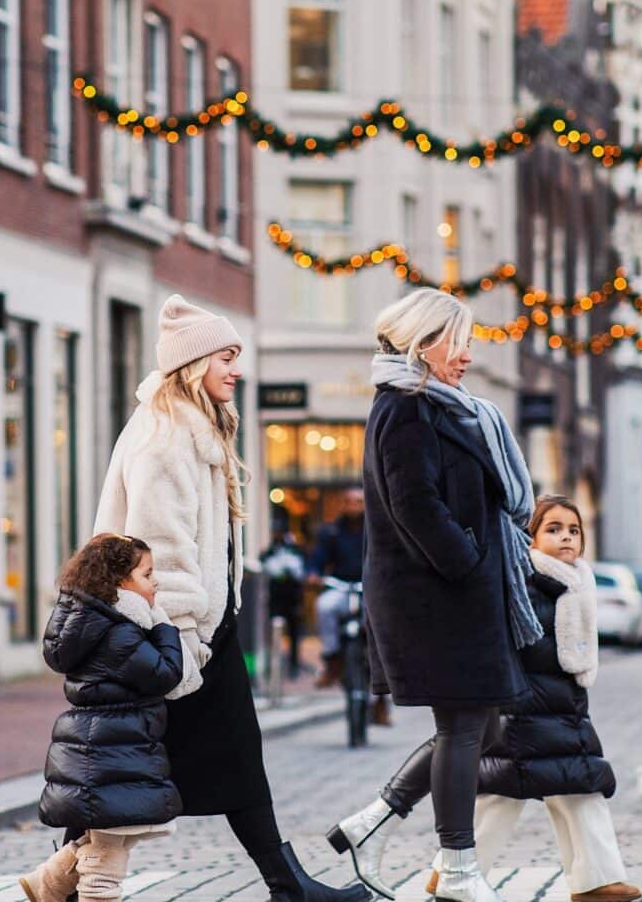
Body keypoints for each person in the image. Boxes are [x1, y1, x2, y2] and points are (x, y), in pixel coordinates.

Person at [92, 295, 365, 902]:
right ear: (192, 364)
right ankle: (65, 878)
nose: (236, 368)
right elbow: (157, 549)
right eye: (226, 355)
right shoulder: (166, 439)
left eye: (237, 355)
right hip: (180, 636)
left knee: (208, 759)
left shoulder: (196, 431)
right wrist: (183, 639)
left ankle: (285, 882)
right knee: (123, 764)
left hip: (205, 631)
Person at [328, 288, 537, 902]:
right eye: (458, 341)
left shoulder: (443, 406)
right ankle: (459, 870)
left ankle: (372, 822)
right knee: (467, 725)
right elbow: (413, 503)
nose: (468, 355)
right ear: (423, 343)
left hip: (460, 596)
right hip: (437, 598)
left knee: (488, 724)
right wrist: (467, 560)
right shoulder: (405, 409)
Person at [470, 496, 640, 902]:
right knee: (503, 792)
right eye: (553, 529)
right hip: (526, 708)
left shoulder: (575, 580)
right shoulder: (528, 581)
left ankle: (595, 880)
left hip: (560, 708)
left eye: (573, 530)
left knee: (579, 786)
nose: (566, 537)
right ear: (531, 539)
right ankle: (456, 869)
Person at [25, 534, 186, 902]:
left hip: (100, 749)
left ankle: (47, 883)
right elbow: (166, 673)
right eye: (147, 574)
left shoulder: (93, 623)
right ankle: (55, 885)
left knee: (112, 835)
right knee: (108, 854)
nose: (155, 582)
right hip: (110, 754)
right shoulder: (119, 633)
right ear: (119, 581)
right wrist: (164, 627)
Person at [309, 490, 368, 688]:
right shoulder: (331, 531)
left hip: (369, 589)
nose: (354, 506)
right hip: (340, 587)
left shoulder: (375, 530)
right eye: (349, 502)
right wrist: (313, 574)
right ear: (342, 505)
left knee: (380, 619)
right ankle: (332, 660)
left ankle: (380, 703)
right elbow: (318, 557)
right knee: (324, 606)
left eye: (359, 501)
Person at [261, 527, 308, 680]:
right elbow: (263, 561)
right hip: (276, 597)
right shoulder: (271, 550)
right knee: (273, 631)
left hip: (292, 597)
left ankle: (294, 664)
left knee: (294, 633)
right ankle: (273, 665)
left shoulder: (294, 549)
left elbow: (301, 573)